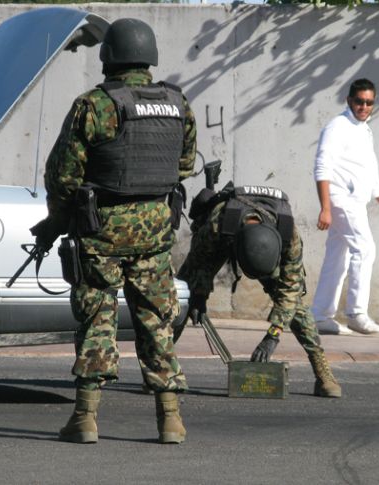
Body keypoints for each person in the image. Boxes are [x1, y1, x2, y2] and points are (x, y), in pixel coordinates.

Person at [30, 18, 197, 444]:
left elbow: (62, 175)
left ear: (108, 58)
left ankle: (85, 419)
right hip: (156, 230)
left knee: (96, 319)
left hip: (101, 228)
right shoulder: (179, 104)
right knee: (156, 318)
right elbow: (185, 166)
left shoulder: (94, 104)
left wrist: (58, 219)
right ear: (150, 56)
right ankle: (171, 420)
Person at [175, 182, 342, 398]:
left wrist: (273, 335)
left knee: (297, 310)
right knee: (182, 296)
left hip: (265, 242)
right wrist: (199, 295)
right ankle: (160, 367)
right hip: (225, 237)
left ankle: (324, 374)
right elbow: (201, 262)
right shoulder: (217, 224)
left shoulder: (289, 235)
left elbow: (289, 292)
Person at [311, 78, 379, 336]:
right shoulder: (337, 127)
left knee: (339, 256)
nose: (364, 106)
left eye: (369, 102)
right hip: (340, 199)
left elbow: (369, 169)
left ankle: (320, 316)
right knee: (365, 248)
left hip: (356, 201)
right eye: (359, 101)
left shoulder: (364, 129)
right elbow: (321, 167)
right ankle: (357, 313)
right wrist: (325, 207)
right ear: (349, 101)